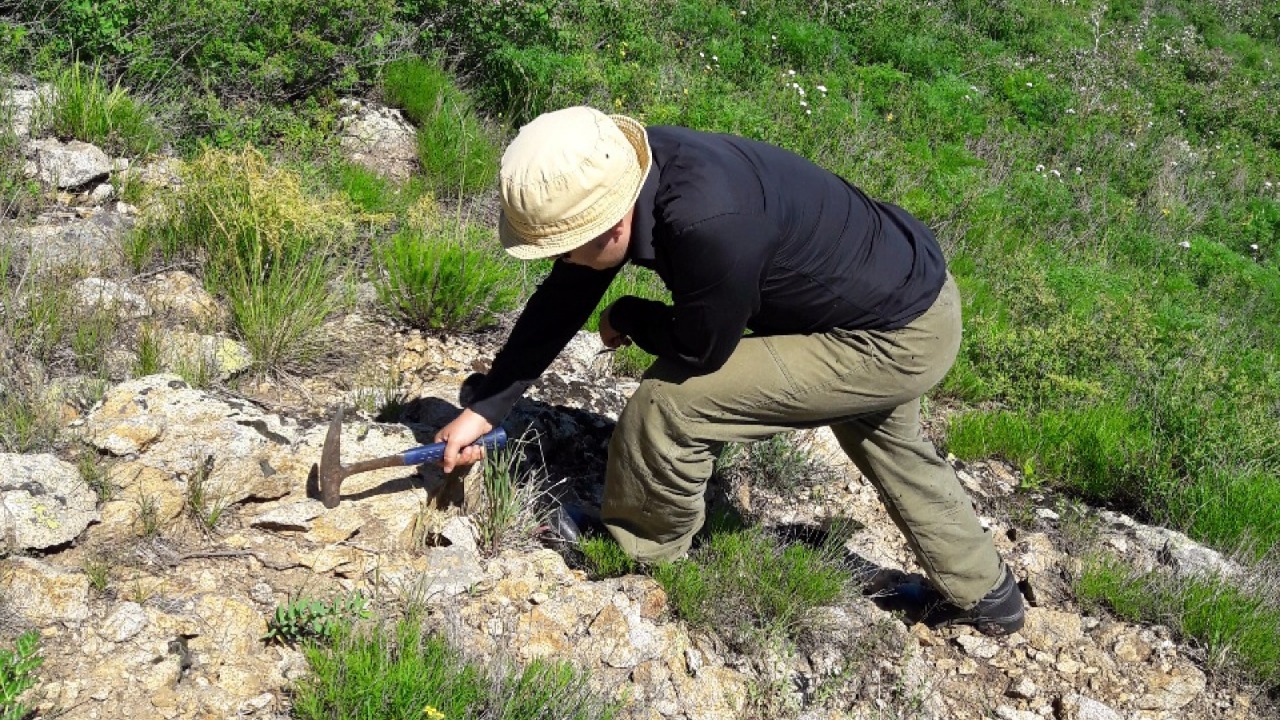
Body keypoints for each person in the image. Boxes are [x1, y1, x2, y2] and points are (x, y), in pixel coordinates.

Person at [434, 106, 1025, 636]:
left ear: (612, 223)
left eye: (563, 248)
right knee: (887, 438)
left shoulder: (706, 225)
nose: (561, 265)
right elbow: (564, 297)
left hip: (896, 334)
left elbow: (702, 350)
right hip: (902, 291)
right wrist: (485, 407)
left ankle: (640, 553)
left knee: (669, 406)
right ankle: (989, 596)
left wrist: (631, 313)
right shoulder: (631, 169)